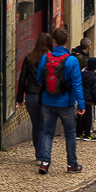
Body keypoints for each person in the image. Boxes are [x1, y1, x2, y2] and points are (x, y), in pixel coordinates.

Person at [36, 27, 85, 174]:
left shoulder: (45, 58)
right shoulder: (72, 61)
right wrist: (81, 104)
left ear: (54, 41)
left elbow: (39, 78)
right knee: (70, 134)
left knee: (47, 132)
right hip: (66, 103)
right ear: (68, 41)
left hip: (47, 101)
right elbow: (77, 84)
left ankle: (44, 162)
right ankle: (72, 165)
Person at [16, 32, 52, 164]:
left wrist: (19, 97)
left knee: (36, 126)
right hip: (45, 95)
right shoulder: (49, 58)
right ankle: (42, 156)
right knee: (44, 126)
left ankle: (38, 155)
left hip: (31, 96)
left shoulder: (29, 57)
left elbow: (23, 78)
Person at [77, 57, 96, 141]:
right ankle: (87, 133)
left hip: (81, 98)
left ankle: (79, 132)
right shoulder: (95, 78)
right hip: (89, 100)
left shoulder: (81, 74)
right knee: (89, 117)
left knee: (81, 116)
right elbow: (94, 91)